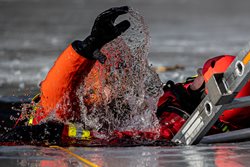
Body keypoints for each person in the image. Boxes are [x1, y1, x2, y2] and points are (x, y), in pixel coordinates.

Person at [1, 6, 250, 146]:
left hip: (39, 124)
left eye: (201, 73)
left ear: (209, 90)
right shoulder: (186, 100)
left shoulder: (177, 122)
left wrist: (82, 52)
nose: (196, 72)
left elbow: (58, 108)